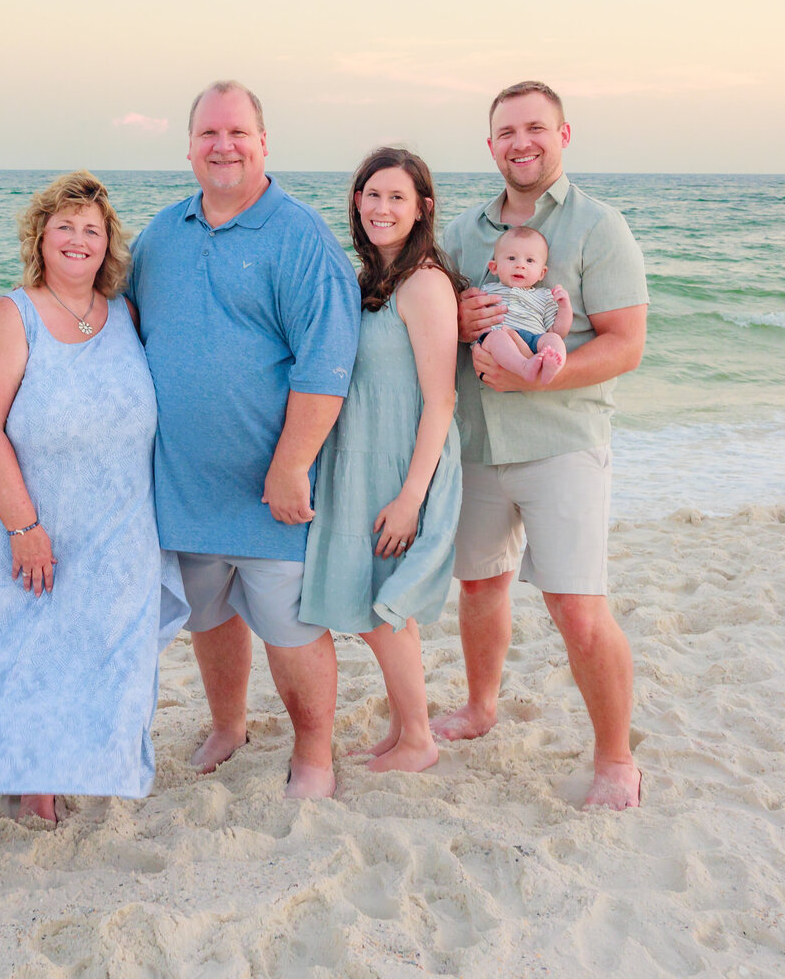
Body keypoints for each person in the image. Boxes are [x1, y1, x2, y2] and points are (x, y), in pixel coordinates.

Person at [0, 172, 188, 822]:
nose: (77, 239)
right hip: (32, 525)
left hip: (120, 528)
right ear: (40, 236)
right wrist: (23, 526)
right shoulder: (14, 315)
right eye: (64, 226)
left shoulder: (126, 315)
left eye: (91, 229)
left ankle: (71, 773)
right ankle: (13, 785)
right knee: (3, 655)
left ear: (108, 245)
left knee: (98, 659)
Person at [128, 81, 361, 800]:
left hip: (271, 488)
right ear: (189, 146)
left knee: (290, 628)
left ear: (263, 143)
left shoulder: (300, 237)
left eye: (237, 133)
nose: (223, 146)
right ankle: (228, 726)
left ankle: (315, 754)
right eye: (208, 135)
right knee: (210, 616)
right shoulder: (160, 237)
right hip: (185, 485)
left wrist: (292, 465)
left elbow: (327, 363)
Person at [432, 80, 648, 810]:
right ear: (491, 145)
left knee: (577, 608)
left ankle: (616, 758)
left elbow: (626, 344)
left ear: (562, 134)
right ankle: (481, 706)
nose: (521, 142)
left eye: (535, 128)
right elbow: (430, 324)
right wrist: (457, 320)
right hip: (478, 442)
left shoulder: (598, 226)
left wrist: (534, 386)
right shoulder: (463, 233)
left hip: (564, 441)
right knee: (482, 588)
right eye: (506, 132)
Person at [301, 147, 464, 774]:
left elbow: (441, 399)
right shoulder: (371, 280)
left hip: (401, 464)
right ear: (356, 202)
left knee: (382, 609)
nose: (381, 207)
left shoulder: (423, 283)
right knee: (379, 603)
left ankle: (419, 737)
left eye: (397, 197)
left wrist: (409, 498)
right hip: (363, 458)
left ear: (422, 207)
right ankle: (403, 729)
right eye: (372, 195)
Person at [477, 226, 572, 385]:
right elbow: (474, 321)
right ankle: (524, 367)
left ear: (542, 273)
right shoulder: (486, 291)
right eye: (512, 258)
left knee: (553, 339)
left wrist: (564, 307)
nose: (520, 265)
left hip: (533, 339)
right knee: (497, 337)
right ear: (494, 267)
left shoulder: (544, 296)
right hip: (498, 337)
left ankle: (553, 366)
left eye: (530, 260)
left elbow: (558, 331)